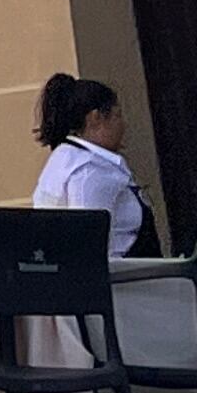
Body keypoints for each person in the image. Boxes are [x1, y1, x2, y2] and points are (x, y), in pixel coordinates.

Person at [34, 73, 151, 257]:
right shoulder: (88, 170)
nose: (123, 125)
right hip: (123, 282)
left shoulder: (67, 160)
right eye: (117, 115)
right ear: (95, 118)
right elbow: (88, 247)